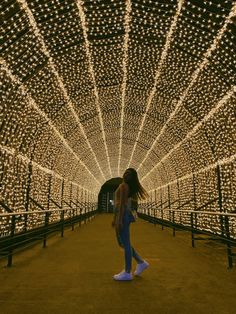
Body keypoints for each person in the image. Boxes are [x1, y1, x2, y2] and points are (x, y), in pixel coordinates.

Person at [112, 168, 149, 281]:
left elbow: (122, 204)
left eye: (130, 174)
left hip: (122, 215)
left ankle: (127, 272)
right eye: (126, 172)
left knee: (125, 243)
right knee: (122, 242)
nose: (126, 174)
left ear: (132, 177)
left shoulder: (124, 186)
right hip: (123, 215)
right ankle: (141, 262)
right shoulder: (125, 186)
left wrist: (118, 219)